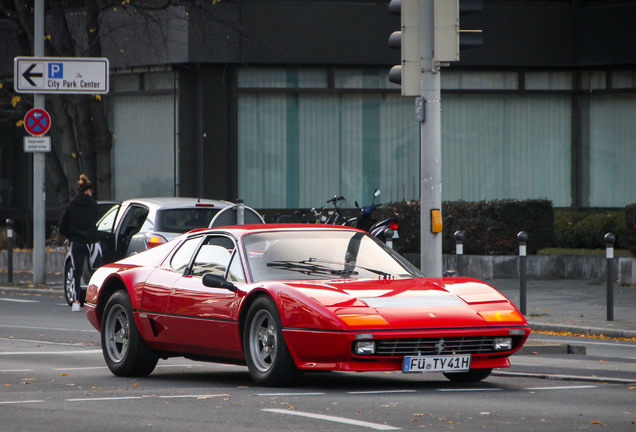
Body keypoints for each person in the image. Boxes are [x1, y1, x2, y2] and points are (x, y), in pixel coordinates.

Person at [59, 174, 102, 311]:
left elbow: (62, 226)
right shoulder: (93, 205)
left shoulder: (71, 206)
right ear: (89, 191)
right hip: (92, 242)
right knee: (96, 272)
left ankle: (76, 302)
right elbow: (96, 220)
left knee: (76, 272)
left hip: (77, 242)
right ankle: (96, 301)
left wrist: (70, 235)